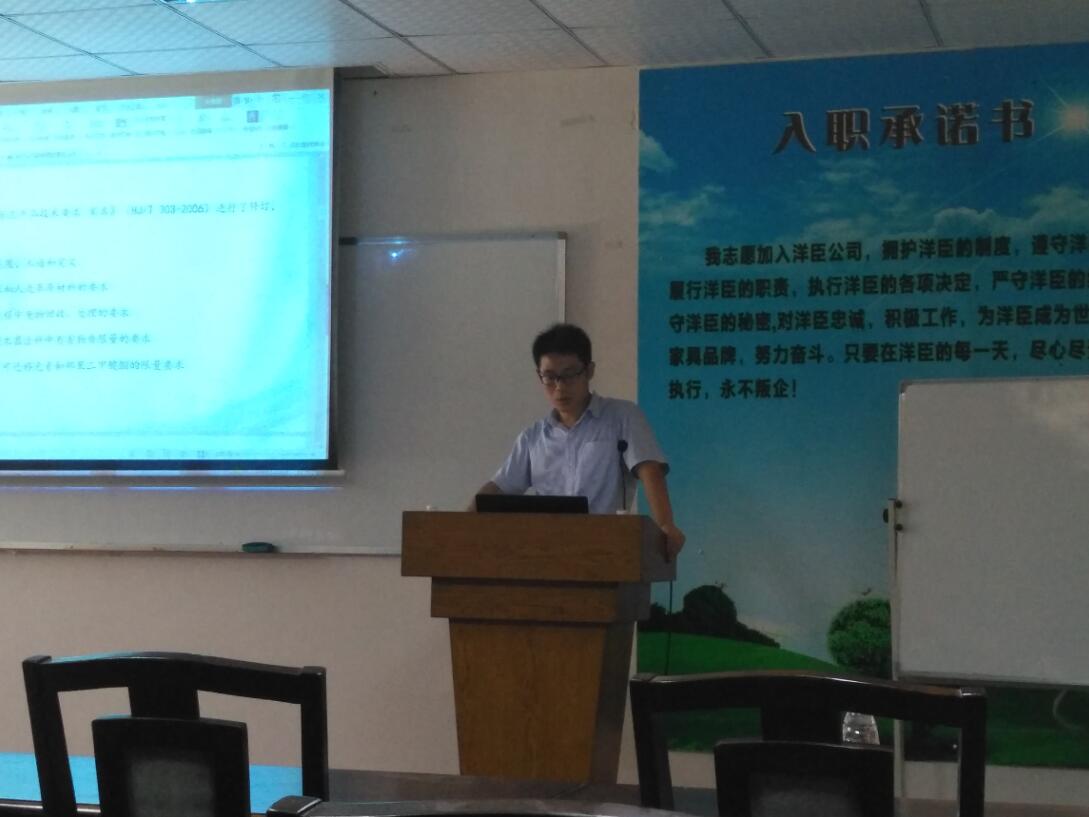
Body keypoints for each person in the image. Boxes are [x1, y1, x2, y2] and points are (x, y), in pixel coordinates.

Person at [472, 323, 685, 560]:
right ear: (539, 376)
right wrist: (458, 524)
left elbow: (649, 470)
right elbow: (498, 488)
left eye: (570, 375)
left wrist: (666, 525)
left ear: (589, 371)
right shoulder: (532, 438)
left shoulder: (622, 416)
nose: (560, 387)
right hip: (544, 554)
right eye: (550, 377)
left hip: (607, 550)